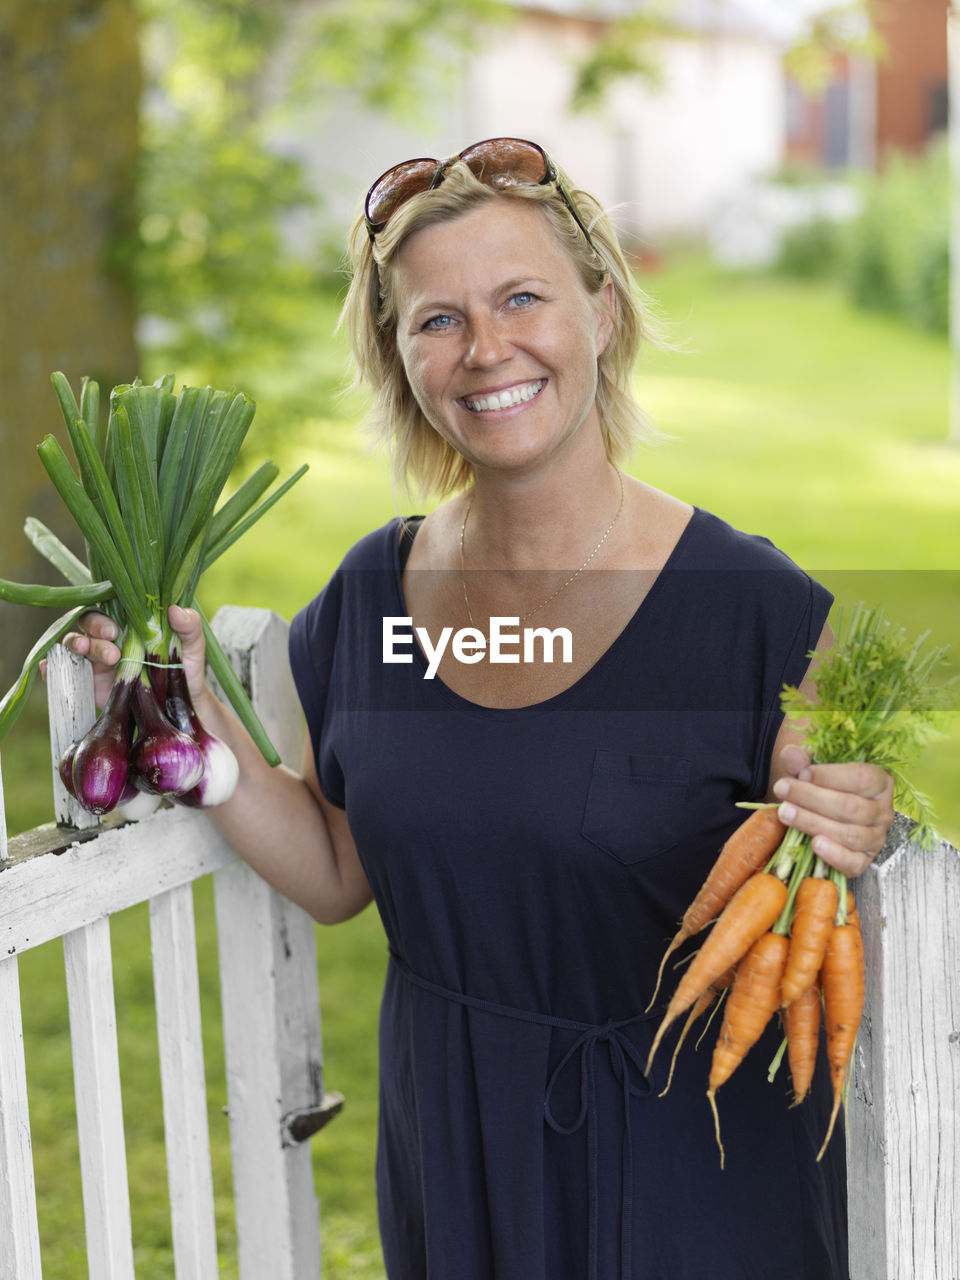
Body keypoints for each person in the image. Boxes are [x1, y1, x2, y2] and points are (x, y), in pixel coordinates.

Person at [69, 138, 895, 1279]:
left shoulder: (756, 613)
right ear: (399, 357)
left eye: (521, 298)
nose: (485, 348)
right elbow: (338, 863)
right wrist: (193, 723)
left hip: (694, 1174)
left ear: (601, 314)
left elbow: (854, 837)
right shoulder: (371, 597)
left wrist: (859, 813)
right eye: (437, 319)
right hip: (456, 1153)